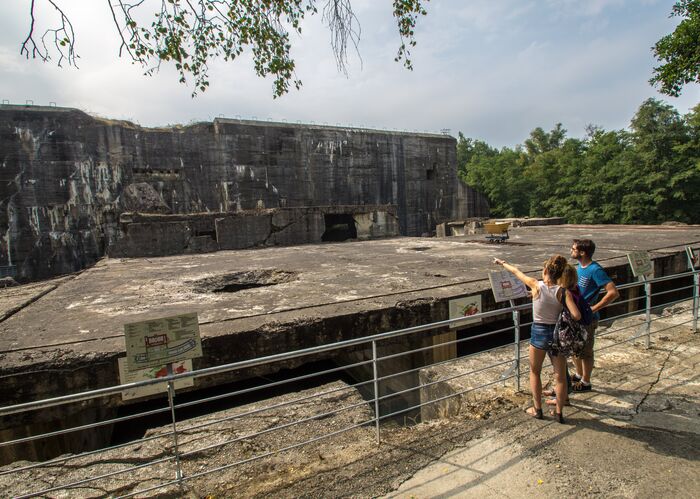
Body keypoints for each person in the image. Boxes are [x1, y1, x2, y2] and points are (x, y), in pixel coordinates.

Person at [493, 255, 580, 423]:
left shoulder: (536, 285)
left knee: (535, 372)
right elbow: (576, 315)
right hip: (556, 334)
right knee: (560, 376)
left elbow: (516, 272)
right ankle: (559, 412)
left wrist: (502, 263)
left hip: (539, 332)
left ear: (545, 271)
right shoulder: (563, 291)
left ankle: (537, 409)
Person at [570, 239, 619, 391]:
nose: (571, 251)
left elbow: (613, 292)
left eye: (573, 249)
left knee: (586, 351)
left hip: (587, 318)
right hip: (576, 316)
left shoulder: (595, 270)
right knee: (575, 348)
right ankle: (578, 374)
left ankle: (586, 382)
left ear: (582, 253)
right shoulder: (579, 267)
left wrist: (594, 308)